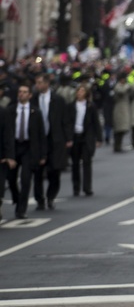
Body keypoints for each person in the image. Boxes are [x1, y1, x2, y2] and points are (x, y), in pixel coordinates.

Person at [6, 82, 46, 219]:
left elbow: (41, 134)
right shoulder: (10, 110)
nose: (21, 94)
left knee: (25, 179)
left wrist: (42, 155)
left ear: (29, 95)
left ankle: (21, 209)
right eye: (19, 92)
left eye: (24, 92)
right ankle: (16, 197)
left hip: (29, 148)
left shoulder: (35, 112)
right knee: (11, 179)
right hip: (14, 147)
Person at [33, 73, 71, 210]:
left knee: (54, 171)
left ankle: (51, 196)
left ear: (47, 83)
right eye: (36, 83)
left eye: (39, 82)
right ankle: (39, 200)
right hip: (38, 140)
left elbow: (65, 119)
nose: (37, 85)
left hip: (54, 139)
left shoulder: (58, 99)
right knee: (37, 172)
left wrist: (68, 138)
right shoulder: (34, 99)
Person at [70, 84, 102, 196]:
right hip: (75, 136)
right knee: (75, 164)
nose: (80, 93)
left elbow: (96, 122)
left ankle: (87, 187)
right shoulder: (71, 106)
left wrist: (99, 138)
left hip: (86, 137)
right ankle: (76, 187)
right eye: (78, 91)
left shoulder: (90, 106)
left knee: (87, 162)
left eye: (82, 91)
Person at [112, 70, 132, 152]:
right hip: (119, 109)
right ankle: (117, 146)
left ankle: (119, 145)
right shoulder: (118, 86)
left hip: (124, 108)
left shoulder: (123, 85)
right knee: (119, 129)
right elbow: (121, 91)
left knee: (123, 128)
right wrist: (127, 86)